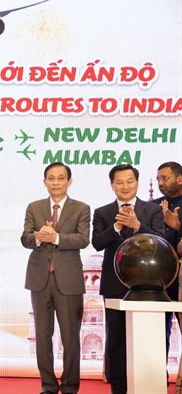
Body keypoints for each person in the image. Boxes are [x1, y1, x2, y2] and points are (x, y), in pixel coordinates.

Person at [91, 163, 165, 394]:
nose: (125, 186)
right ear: (112, 185)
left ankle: (149, 384)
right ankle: (118, 387)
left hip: (148, 285)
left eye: (129, 181)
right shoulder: (102, 212)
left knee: (148, 338)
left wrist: (137, 226)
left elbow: (162, 242)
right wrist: (116, 226)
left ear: (137, 183)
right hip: (114, 283)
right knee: (115, 338)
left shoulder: (152, 211)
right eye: (119, 182)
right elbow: (97, 243)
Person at [21, 162, 90, 394]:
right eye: (51, 178)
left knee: (70, 337)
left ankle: (70, 386)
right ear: (44, 182)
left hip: (69, 279)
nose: (56, 182)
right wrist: (39, 237)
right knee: (42, 336)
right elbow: (25, 239)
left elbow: (83, 239)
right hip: (39, 278)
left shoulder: (81, 208)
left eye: (61, 178)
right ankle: (48, 385)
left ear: (69, 181)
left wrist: (56, 237)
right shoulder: (34, 207)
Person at [152, 162, 182, 361]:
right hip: (159, 277)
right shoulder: (153, 207)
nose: (160, 183)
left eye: (165, 178)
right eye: (158, 179)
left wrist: (177, 226)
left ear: (180, 179)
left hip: (181, 277)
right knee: (157, 333)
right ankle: (156, 376)